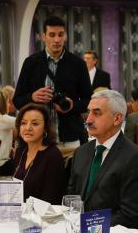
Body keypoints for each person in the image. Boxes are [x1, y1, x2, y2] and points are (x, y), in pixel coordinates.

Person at [67, 90, 138, 229]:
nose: (88, 119)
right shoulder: (81, 152)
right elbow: (71, 199)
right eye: (88, 112)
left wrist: (89, 226)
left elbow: (131, 215)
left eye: (97, 113)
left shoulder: (135, 157)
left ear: (117, 119)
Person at [14, 16, 92, 148]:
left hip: (69, 137)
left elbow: (89, 101)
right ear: (43, 37)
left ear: (65, 36)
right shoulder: (31, 63)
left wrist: (72, 106)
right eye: (52, 35)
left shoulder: (77, 64)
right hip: (38, 139)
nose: (57, 40)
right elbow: (17, 100)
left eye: (60, 35)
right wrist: (32, 97)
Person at [10, 104, 65, 204]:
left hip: (42, 216)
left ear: (45, 128)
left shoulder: (53, 156)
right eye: (23, 123)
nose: (28, 128)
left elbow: (51, 199)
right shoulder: (20, 151)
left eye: (35, 124)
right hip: (17, 211)